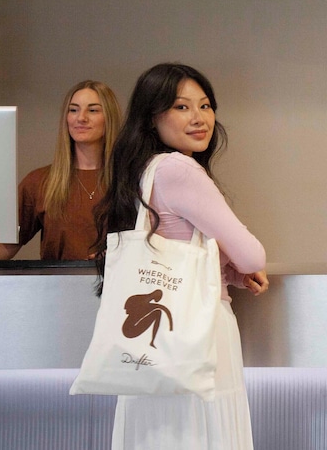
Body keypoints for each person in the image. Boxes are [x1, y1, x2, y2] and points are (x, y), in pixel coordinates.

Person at [94, 62, 268, 450]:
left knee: (160, 434)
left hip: (152, 339)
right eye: (181, 107)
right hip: (198, 329)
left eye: (205, 106)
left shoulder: (142, 170)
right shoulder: (178, 169)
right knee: (201, 432)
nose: (199, 118)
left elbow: (175, 245)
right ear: (152, 116)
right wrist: (241, 266)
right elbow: (252, 255)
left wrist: (231, 274)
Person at [0, 80, 122, 261]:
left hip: (119, 279)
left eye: (93, 110)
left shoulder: (130, 180)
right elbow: (4, 247)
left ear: (109, 117)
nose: (81, 118)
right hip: (56, 279)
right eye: (73, 110)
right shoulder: (40, 181)